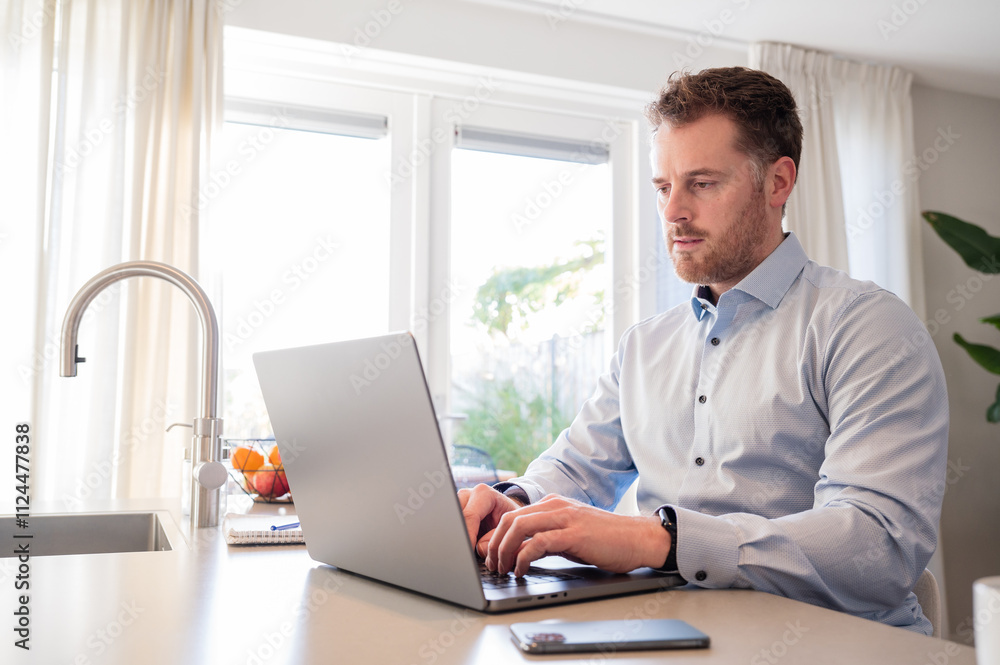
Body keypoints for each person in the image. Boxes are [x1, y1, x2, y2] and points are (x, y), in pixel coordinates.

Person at [458, 66, 948, 635]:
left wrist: (660, 540)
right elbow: (576, 465)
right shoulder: (644, 345)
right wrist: (517, 501)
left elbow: (878, 546)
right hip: (672, 630)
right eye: (664, 187)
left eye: (703, 183)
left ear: (778, 182)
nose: (672, 212)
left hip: (831, 641)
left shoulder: (868, 327)